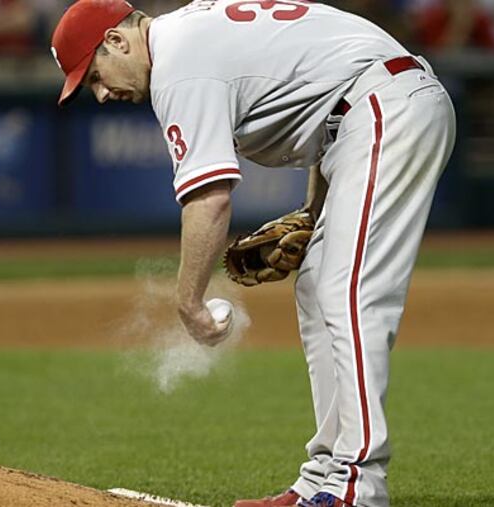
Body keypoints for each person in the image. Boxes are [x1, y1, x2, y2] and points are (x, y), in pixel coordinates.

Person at [51, 0, 456, 506]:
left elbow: (210, 198)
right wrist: (313, 211)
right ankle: (324, 476)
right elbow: (328, 103)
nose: (103, 94)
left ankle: (357, 485)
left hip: (385, 109)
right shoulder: (188, 35)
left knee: (345, 291)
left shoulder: (178, 64)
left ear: (116, 41)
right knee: (316, 288)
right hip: (369, 110)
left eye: (93, 77)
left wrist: (189, 302)